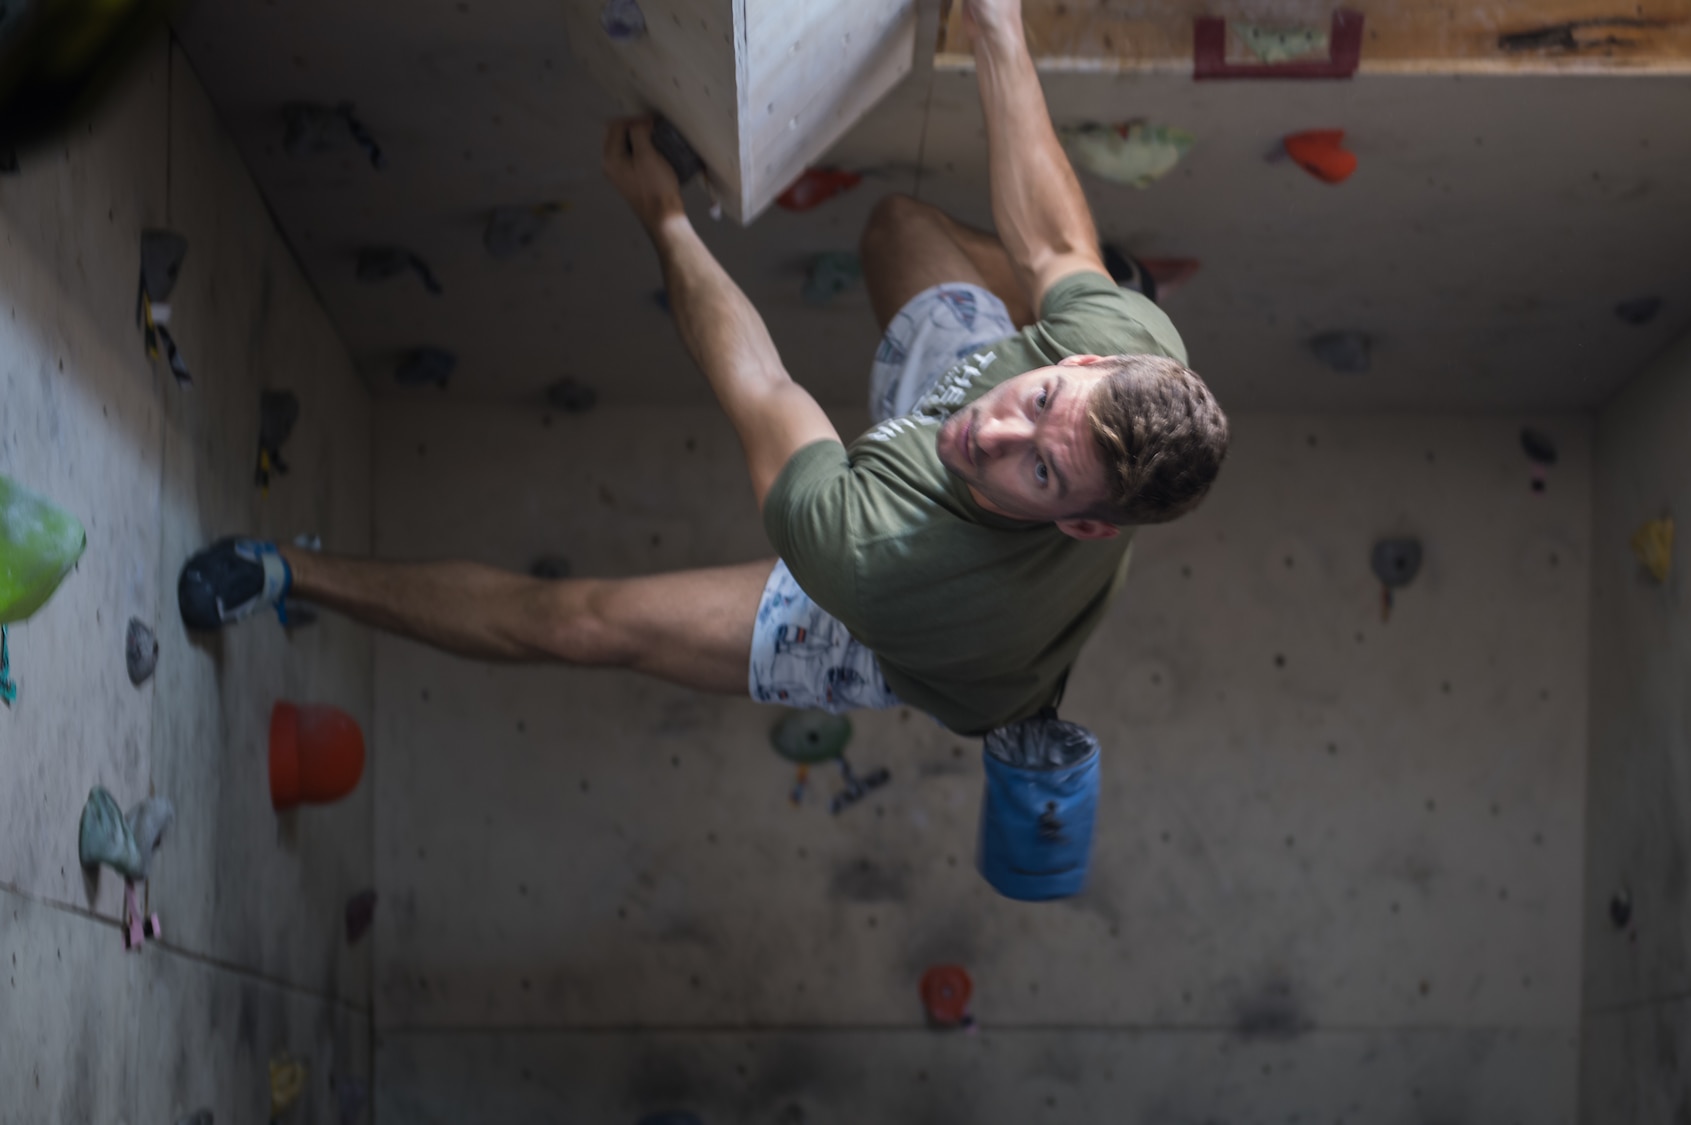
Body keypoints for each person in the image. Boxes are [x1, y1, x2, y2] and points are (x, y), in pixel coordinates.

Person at [176, 0, 1228, 744]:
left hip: (902, 625)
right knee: (899, 228)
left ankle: (283, 572)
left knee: (584, 625)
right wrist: (993, 13)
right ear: (1089, 357)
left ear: (1087, 524)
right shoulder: (1126, 360)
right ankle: (1060, 367)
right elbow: (1051, 249)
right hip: (999, 459)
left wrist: (663, 218)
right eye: (1040, 401)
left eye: (1040, 472)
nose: (988, 434)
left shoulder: (874, 556)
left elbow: (765, 388)